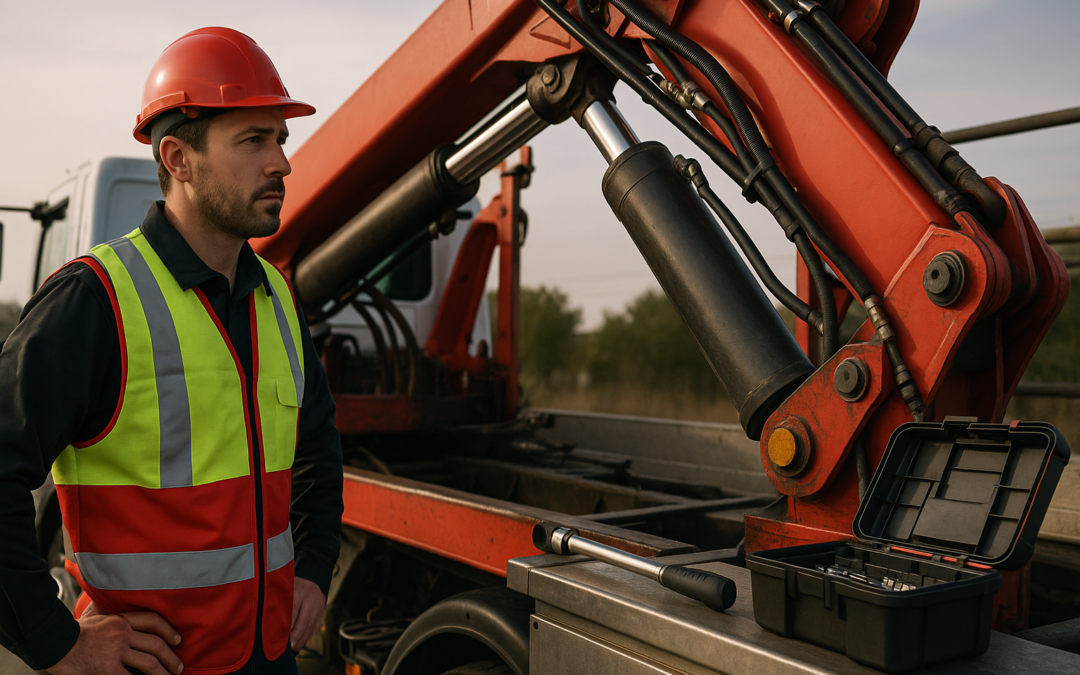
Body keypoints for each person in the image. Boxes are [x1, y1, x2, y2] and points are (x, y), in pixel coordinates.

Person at [0, 27, 343, 675]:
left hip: (270, 659)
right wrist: (57, 642)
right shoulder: (94, 300)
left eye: (280, 139)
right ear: (178, 159)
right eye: (254, 140)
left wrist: (315, 569)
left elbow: (317, 451)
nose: (282, 163)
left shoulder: (275, 296)